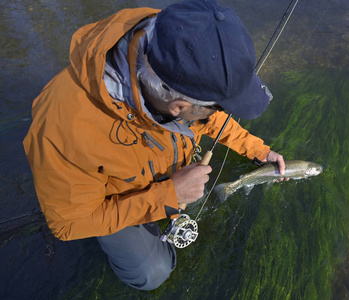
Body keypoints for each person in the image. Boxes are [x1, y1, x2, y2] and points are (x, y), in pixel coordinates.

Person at [23, 0, 285, 291]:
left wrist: (257, 150)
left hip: (168, 168)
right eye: (217, 107)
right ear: (179, 106)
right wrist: (167, 195)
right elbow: (68, 224)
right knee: (152, 272)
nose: (219, 114)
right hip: (109, 201)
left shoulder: (177, 38)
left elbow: (206, 119)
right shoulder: (63, 127)